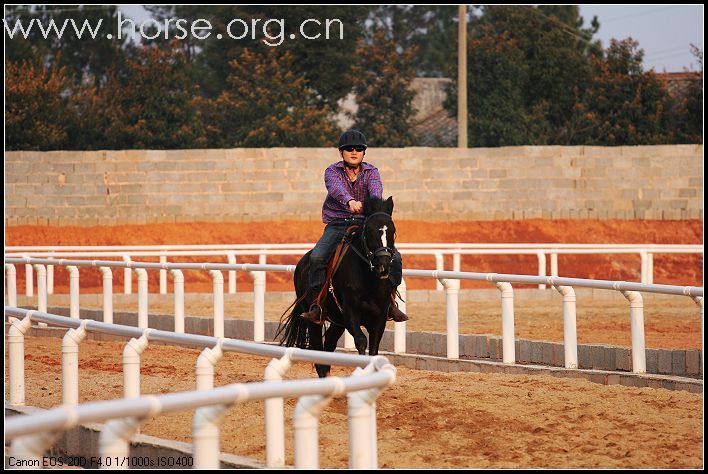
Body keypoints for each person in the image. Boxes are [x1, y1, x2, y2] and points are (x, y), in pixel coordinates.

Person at [299, 129, 408, 324]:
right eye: (349, 149)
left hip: (364, 225)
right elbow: (335, 189)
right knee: (316, 258)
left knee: (396, 259)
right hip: (337, 224)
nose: (354, 152)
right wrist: (349, 201)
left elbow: (376, 191)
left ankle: (390, 301)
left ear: (364, 152)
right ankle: (317, 305)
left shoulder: (372, 172)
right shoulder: (332, 171)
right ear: (341, 152)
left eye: (358, 149)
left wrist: (372, 204)